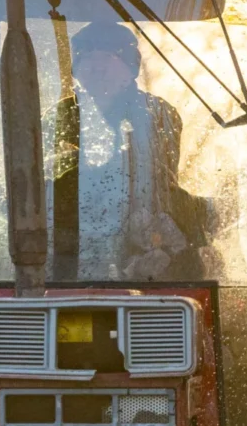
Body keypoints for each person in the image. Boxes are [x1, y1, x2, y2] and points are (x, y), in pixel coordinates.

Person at [52, 22, 214, 281]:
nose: (97, 67)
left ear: (130, 68)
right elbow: (45, 173)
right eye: (88, 59)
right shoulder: (61, 115)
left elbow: (158, 174)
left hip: (147, 219)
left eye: (108, 57)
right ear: (77, 70)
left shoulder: (156, 113)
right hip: (75, 239)